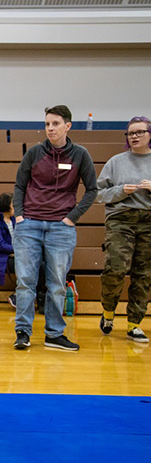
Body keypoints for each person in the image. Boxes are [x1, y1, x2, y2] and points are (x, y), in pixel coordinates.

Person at [12, 105, 98, 351]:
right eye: (47, 123)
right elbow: (19, 185)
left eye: (55, 123)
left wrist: (72, 217)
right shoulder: (34, 153)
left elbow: (92, 189)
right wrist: (19, 216)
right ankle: (23, 332)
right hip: (29, 226)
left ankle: (54, 334)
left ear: (68, 126)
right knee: (25, 281)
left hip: (61, 227)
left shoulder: (80, 154)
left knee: (57, 283)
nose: (50, 128)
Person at [96, 116, 151, 343]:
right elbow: (99, 193)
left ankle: (134, 324)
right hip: (121, 220)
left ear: (150, 134)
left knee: (143, 274)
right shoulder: (116, 162)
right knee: (115, 269)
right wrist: (120, 191)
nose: (134, 136)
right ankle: (108, 312)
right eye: (130, 133)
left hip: (149, 221)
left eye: (139, 132)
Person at [0, 193, 47, 310]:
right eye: (14, 204)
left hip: (17, 255)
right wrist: (19, 249)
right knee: (28, 264)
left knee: (41, 265)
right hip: (2, 259)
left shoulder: (16, 220)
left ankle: (35, 298)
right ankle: (20, 295)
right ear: (6, 205)